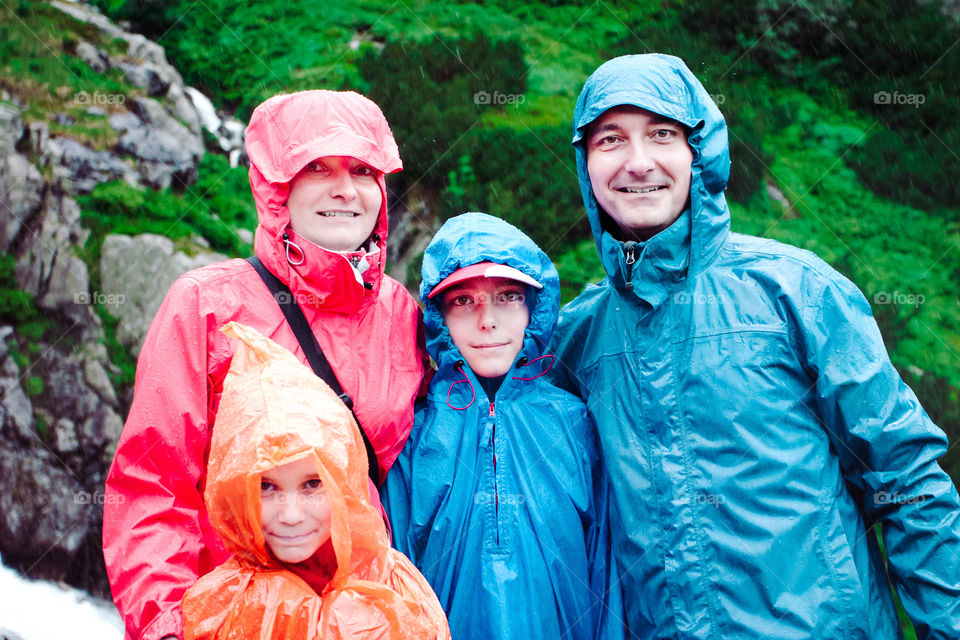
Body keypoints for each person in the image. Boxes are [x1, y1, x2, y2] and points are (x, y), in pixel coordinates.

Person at [549, 53, 960, 639]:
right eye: (611, 139)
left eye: (662, 134)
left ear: (700, 150)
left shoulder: (797, 291)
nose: (638, 162)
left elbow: (908, 482)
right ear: (585, 163)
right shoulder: (578, 337)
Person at [103, 90, 430, 640]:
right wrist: (167, 624)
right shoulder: (204, 305)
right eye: (316, 168)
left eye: (361, 169)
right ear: (277, 189)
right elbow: (151, 485)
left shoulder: (402, 312)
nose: (345, 189)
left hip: (360, 619)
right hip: (235, 621)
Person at [381, 212, 622, 640]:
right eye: (462, 300)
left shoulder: (575, 422)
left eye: (508, 296)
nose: (487, 320)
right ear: (438, 317)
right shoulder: (412, 434)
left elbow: (605, 568)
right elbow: (391, 581)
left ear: (535, 307)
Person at [180, 322, 449, 640]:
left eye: (312, 484)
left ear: (344, 484)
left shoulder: (396, 591)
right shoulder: (221, 605)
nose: (291, 515)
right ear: (236, 492)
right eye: (267, 487)